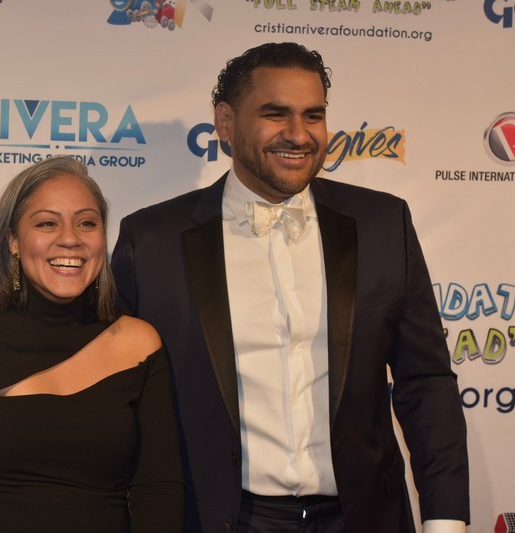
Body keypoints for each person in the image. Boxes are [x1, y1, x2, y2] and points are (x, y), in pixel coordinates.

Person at [111, 43, 469, 532]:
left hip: (366, 518)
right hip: (223, 519)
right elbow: (119, 401)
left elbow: (425, 383)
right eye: (275, 114)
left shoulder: (383, 223)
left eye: (313, 115)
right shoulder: (153, 241)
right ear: (225, 122)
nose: (299, 135)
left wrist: (446, 521)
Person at [0, 156, 184, 532]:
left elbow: (159, 489)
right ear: (13, 241)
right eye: (47, 223)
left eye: (87, 223)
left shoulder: (139, 343)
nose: (70, 238)